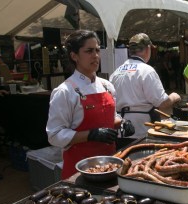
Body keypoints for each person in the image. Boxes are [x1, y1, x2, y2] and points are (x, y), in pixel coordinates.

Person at [46, 30, 132, 179]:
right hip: (78, 171)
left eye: (97, 50)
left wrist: (122, 123)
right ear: (74, 56)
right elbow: (54, 135)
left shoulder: (107, 86)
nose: (96, 55)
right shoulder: (65, 91)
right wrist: (90, 135)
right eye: (89, 51)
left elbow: (110, 118)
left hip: (110, 164)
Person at [109, 33, 181, 140]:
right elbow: (162, 103)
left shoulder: (116, 72)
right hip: (140, 129)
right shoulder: (147, 70)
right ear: (148, 49)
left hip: (119, 129)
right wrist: (174, 96)